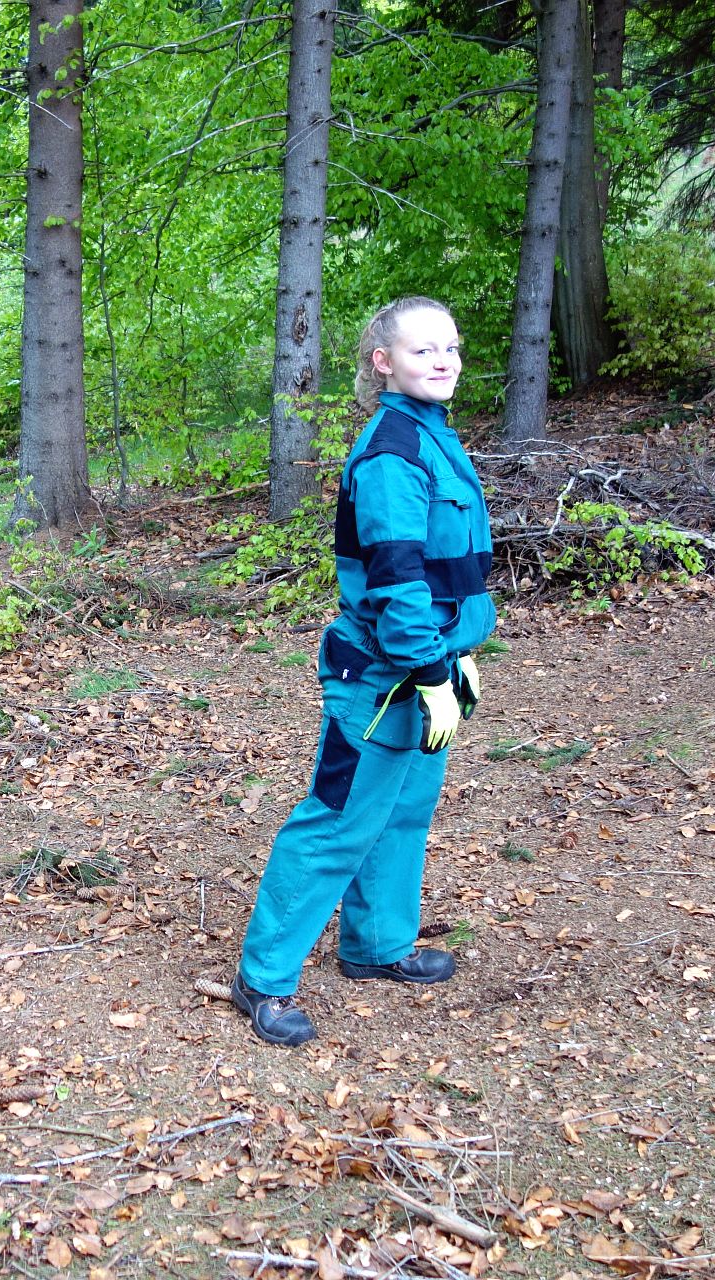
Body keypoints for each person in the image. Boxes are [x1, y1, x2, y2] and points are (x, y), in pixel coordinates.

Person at [229, 297, 497, 1047]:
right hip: (382, 676)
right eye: (422, 350)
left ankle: (376, 946)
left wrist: (455, 655)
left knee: (403, 812)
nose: (443, 361)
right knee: (338, 821)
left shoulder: (432, 434)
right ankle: (262, 978)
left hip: (429, 665)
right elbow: (397, 577)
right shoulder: (391, 453)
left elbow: (445, 570)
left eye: (451, 347)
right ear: (384, 362)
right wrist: (431, 671)